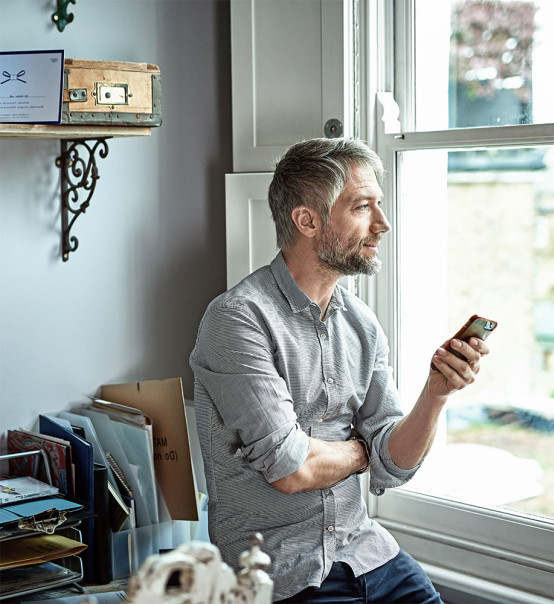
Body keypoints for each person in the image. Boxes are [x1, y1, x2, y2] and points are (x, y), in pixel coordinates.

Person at [190, 137, 489, 602]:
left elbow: (393, 467)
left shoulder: (361, 322)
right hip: (279, 570)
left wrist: (435, 394)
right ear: (307, 220)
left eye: (379, 206)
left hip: (368, 552)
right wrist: (362, 450)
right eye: (361, 207)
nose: (382, 223)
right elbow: (290, 469)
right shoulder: (237, 319)